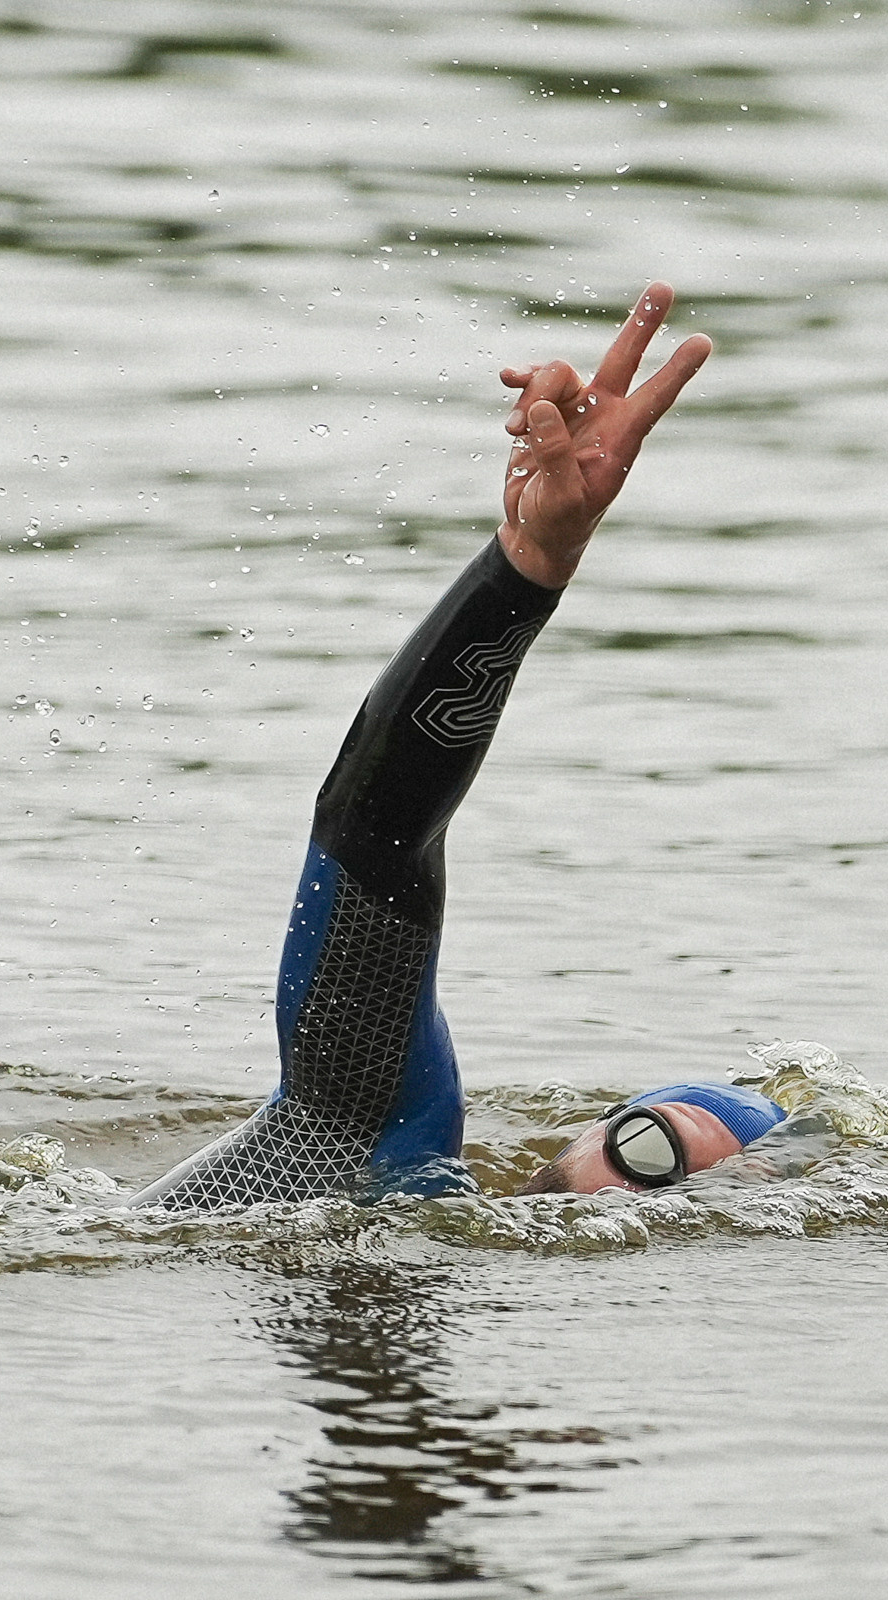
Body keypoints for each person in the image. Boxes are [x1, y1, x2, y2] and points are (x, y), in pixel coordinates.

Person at [130, 282, 785, 1209]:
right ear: (590, 1135)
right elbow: (375, 828)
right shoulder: (374, 1140)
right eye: (650, 1151)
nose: (646, 1202)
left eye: (696, 1199)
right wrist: (526, 573)